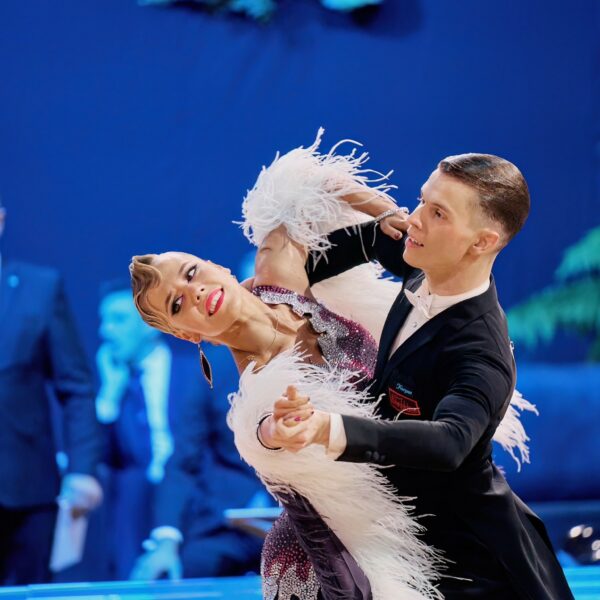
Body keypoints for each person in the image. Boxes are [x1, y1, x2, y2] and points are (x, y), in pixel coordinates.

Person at [129, 134, 445, 599]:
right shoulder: (258, 391)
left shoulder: (278, 267)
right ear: (186, 334)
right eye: (177, 304)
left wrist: (382, 211)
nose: (194, 292)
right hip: (326, 559)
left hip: (414, 503)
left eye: (192, 273)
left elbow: (302, 180)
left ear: (216, 266)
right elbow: (264, 435)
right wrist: (281, 430)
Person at [275, 152, 575, 599]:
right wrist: (265, 300)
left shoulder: (481, 352)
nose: (414, 219)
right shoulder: (423, 259)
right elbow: (319, 260)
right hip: (397, 536)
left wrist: (329, 428)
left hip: (473, 564)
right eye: (422, 201)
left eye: (438, 213)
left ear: (482, 242)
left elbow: (450, 441)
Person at [96, 280, 263, 580]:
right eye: (104, 320)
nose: (106, 331)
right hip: (152, 502)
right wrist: (109, 396)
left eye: (118, 320)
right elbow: (99, 458)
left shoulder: (198, 369)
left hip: (212, 501)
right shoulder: (115, 386)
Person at [0, 198, 103, 585]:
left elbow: (75, 386)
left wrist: (81, 469)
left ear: (1, 220)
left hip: (25, 490)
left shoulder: (39, 288)